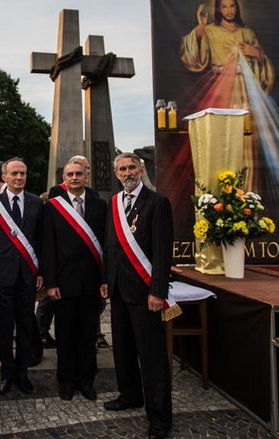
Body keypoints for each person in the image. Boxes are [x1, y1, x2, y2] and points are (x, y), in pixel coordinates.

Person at [101, 152, 175, 439]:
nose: (127, 172)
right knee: (123, 349)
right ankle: (130, 395)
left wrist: (157, 291)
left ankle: (160, 418)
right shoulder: (115, 204)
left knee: (152, 356)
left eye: (132, 167)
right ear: (117, 174)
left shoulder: (157, 203)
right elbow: (110, 245)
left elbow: (161, 251)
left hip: (145, 293)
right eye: (122, 169)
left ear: (141, 169)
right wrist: (106, 280)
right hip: (119, 290)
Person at [41, 161, 107, 401]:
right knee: (65, 334)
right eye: (70, 174)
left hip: (91, 282)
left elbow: (105, 246)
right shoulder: (52, 208)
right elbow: (47, 247)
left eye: (79, 174)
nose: (75, 177)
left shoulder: (100, 206)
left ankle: (86, 380)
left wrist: (104, 279)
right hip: (63, 283)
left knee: (88, 335)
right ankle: (66, 381)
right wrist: (51, 282)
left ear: (86, 177)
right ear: (64, 179)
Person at [0, 157, 43, 395]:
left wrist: (41, 271)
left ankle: (22, 372)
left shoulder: (37, 204)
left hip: (28, 276)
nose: (19, 178)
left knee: (26, 326)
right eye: (14, 174)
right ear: (4, 177)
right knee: (5, 328)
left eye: (23, 174)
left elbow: (41, 240)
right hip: (3, 276)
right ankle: (7, 372)